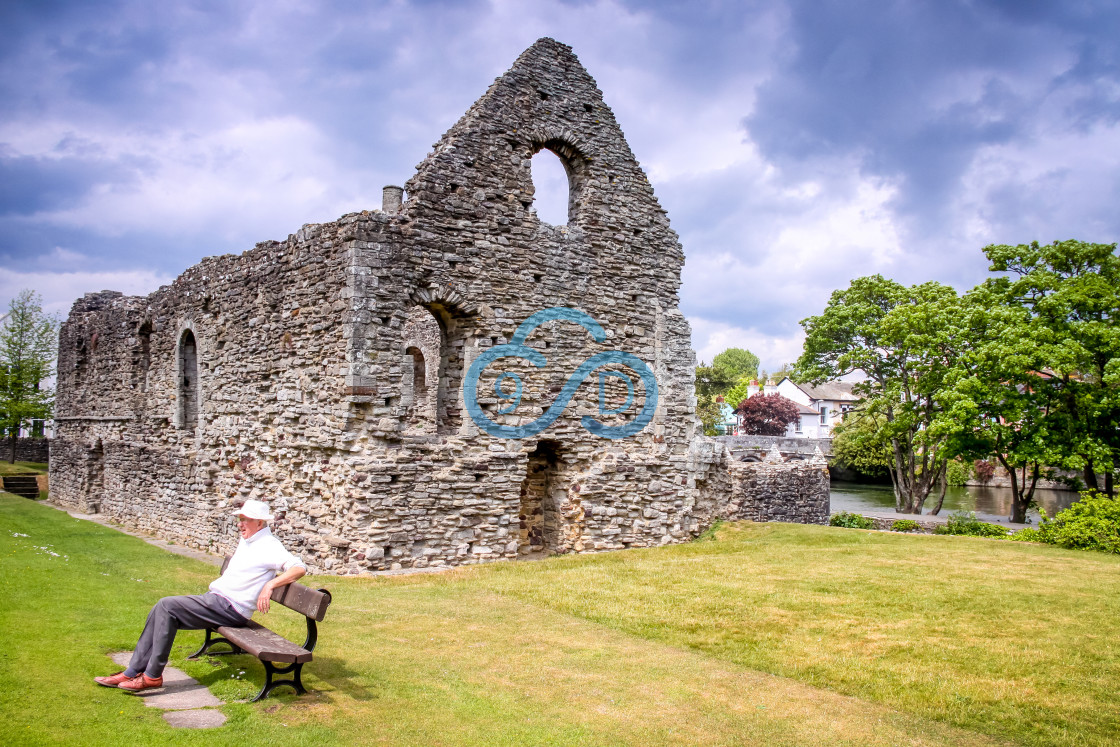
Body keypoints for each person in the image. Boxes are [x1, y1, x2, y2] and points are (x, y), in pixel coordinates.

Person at [94, 499, 306, 692]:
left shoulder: (269, 546)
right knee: (162, 609)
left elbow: (299, 568)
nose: (240, 524)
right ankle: (133, 672)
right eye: (239, 519)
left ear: (260, 523)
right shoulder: (249, 539)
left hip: (230, 609)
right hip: (218, 601)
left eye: (245, 520)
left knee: (167, 606)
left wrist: (270, 585)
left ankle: (151, 676)